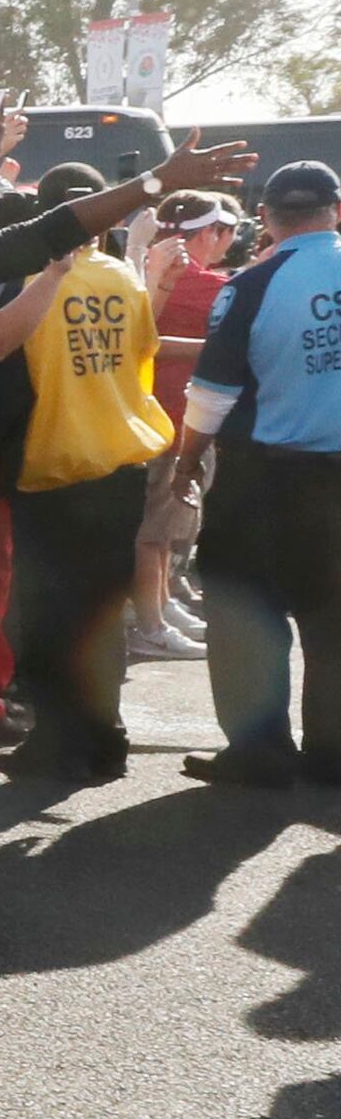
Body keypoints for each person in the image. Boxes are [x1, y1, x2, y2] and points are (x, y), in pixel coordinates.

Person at [0, 197, 167, 786]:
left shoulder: (30, 283)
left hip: (52, 465)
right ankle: (104, 742)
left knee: (49, 619)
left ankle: (57, 747)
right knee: (101, 614)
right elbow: (141, 352)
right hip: (120, 461)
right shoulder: (121, 276)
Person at [177, 160, 341, 785]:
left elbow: (211, 395)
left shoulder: (249, 286)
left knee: (246, 613)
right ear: (336, 211)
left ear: (266, 217)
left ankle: (260, 753)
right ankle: (333, 755)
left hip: (268, 478)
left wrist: (186, 464)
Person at [133, 191, 243, 656]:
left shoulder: (158, 273)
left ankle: (160, 604)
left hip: (166, 416)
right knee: (154, 531)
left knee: (163, 529)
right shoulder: (200, 283)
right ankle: (151, 623)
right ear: (207, 233)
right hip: (169, 418)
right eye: (220, 231)